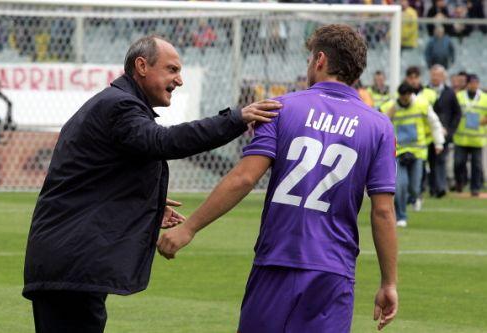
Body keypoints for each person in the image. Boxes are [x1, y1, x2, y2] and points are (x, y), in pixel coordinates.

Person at [22, 35, 281, 333]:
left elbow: (96, 180)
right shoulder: (119, 106)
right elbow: (163, 142)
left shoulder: (116, 104)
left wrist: (148, 203)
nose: (179, 80)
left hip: (69, 262)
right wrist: (236, 119)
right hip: (71, 265)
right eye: (171, 69)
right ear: (142, 66)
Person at [158, 24, 399, 332]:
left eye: (310, 58)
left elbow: (245, 178)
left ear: (320, 60)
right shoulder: (379, 126)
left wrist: (188, 229)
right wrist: (388, 282)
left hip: (277, 260)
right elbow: (382, 211)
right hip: (333, 270)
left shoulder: (280, 107)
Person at [381, 82, 445, 227]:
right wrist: (388, 114)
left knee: (415, 188)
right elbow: (379, 122)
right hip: (398, 152)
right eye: (402, 98)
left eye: (406, 98)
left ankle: (413, 198)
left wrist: (439, 143)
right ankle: (401, 216)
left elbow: (434, 123)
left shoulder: (422, 104)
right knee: (399, 186)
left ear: (411, 95)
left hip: (417, 152)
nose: (404, 101)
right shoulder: (392, 106)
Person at [404, 66, 439, 210]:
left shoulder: (430, 94)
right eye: (410, 77)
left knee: (423, 170)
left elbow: (437, 113)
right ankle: (412, 195)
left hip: (427, 138)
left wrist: (439, 134)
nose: (413, 80)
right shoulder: (401, 93)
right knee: (408, 171)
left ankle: (418, 195)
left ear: (419, 78)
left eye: (415, 77)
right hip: (408, 140)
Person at [427, 65, 461, 197]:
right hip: (428, 133)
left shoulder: (450, 93)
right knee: (431, 161)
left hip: (443, 133)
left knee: (441, 160)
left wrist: (450, 130)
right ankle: (432, 187)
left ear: (443, 77)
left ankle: (441, 187)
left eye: (438, 75)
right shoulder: (425, 91)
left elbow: (457, 113)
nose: (435, 77)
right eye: (433, 75)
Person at [453, 74, 487, 196]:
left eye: (476, 82)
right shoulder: (459, 96)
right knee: (458, 163)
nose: (474, 85)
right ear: (467, 84)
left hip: (477, 138)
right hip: (461, 137)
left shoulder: (484, 97)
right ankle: (460, 182)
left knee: (477, 165)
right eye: (472, 82)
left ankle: (475, 188)